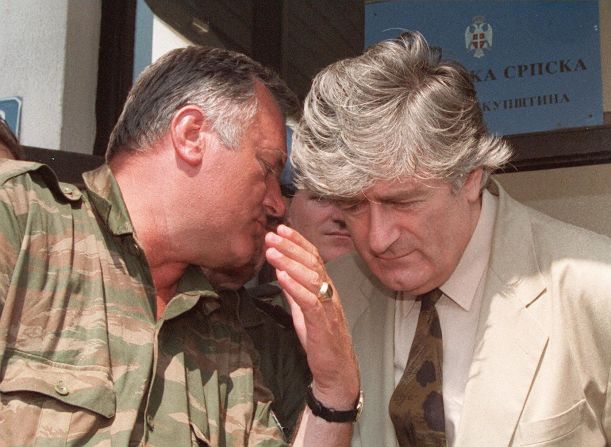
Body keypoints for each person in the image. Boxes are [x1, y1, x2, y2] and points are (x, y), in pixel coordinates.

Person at [0, 46, 360, 446]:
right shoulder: (21, 222)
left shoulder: (222, 332)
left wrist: (334, 391)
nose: (278, 203)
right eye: (267, 167)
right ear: (191, 135)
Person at [286, 31, 611, 446]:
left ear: (471, 176)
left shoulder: (594, 290)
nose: (378, 238)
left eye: (403, 201)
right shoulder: (338, 296)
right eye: (352, 206)